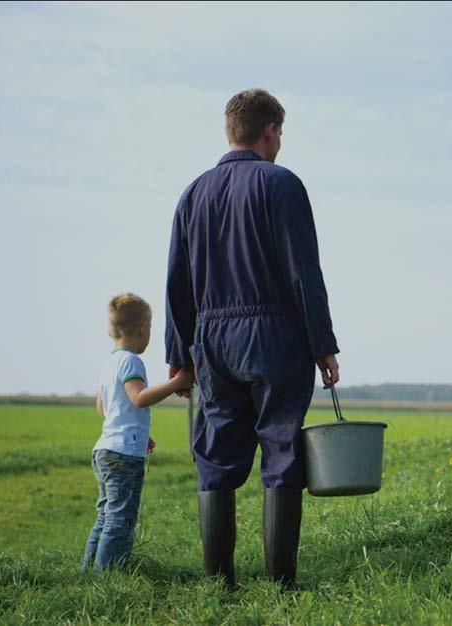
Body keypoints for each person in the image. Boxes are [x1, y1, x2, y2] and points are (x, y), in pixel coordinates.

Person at [165, 88, 340, 589]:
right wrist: (322, 342)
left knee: (216, 454)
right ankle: (281, 582)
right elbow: (303, 272)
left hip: (212, 339)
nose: (281, 142)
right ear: (270, 130)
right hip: (274, 333)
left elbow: (177, 283)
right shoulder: (282, 185)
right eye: (280, 132)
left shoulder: (193, 193)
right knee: (282, 448)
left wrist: (181, 358)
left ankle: (218, 582)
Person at [81, 293, 192, 574]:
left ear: (111, 329)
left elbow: (103, 406)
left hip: (104, 448)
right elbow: (139, 397)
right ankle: (107, 576)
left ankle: (89, 570)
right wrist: (177, 382)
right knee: (120, 518)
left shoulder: (109, 362)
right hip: (122, 454)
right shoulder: (131, 361)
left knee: (106, 515)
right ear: (144, 328)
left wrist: (139, 430)